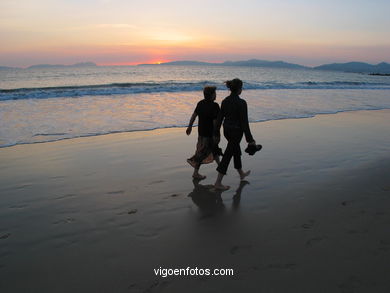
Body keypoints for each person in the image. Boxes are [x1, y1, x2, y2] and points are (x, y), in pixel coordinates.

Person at [214, 78, 256, 190]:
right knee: (228, 154)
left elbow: (219, 119)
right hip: (237, 132)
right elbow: (244, 122)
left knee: (235, 150)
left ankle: (241, 173)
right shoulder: (242, 103)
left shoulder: (224, 101)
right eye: (241, 88)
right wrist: (250, 139)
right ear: (239, 89)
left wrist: (216, 133)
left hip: (226, 130)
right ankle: (218, 182)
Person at [186, 86, 222, 179]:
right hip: (210, 134)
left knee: (214, 149)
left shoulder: (200, 103)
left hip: (201, 133)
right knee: (202, 153)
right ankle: (195, 170)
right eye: (214, 93)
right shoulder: (215, 106)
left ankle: (221, 166)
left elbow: (194, 116)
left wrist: (189, 127)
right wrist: (216, 134)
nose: (216, 95)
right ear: (211, 95)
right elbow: (215, 122)